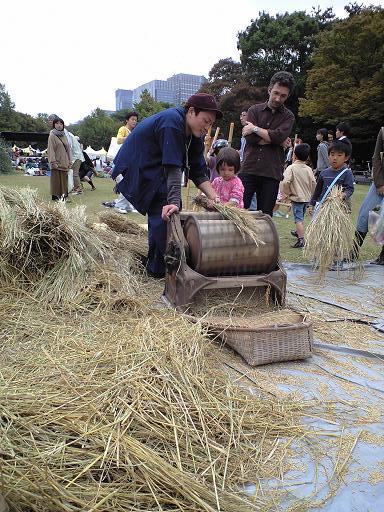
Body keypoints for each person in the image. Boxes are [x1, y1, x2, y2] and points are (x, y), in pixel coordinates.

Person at [112, 93, 223, 278]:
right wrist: (173, 202)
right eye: (205, 120)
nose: (207, 127)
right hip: (136, 167)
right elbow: (173, 168)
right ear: (191, 111)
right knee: (167, 212)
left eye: (210, 124)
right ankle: (169, 270)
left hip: (155, 172)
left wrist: (216, 198)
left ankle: (156, 269)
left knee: (164, 212)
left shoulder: (194, 134)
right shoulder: (172, 122)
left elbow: (197, 170)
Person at [239, 71, 296, 216]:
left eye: (283, 95)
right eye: (276, 93)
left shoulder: (288, 116)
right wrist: (275, 140)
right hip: (248, 169)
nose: (278, 98)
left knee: (265, 217)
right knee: (238, 212)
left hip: (271, 173)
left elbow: (279, 136)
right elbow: (250, 138)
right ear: (269, 89)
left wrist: (255, 129)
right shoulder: (254, 110)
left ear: (287, 96)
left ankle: (262, 240)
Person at [353, 126, 384, 264]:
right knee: (365, 214)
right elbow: (376, 157)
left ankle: (383, 256)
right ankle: (353, 251)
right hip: (380, 181)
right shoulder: (383, 131)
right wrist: (379, 183)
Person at [102, 112, 139, 213]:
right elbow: (118, 140)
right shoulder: (123, 129)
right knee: (125, 184)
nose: (134, 121)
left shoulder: (132, 132)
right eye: (132, 119)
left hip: (127, 162)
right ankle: (119, 206)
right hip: (120, 163)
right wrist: (130, 138)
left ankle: (127, 206)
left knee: (129, 184)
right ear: (127, 120)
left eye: (136, 120)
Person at [281, 143, 316, 248]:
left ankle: (301, 240)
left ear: (294, 155)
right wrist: (311, 195)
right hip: (306, 198)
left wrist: (287, 193)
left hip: (297, 198)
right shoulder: (309, 169)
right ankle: (298, 232)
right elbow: (314, 183)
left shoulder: (291, 168)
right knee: (301, 217)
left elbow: (286, 182)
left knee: (298, 219)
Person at [308, 140, 354, 216]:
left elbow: (350, 189)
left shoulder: (347, 173)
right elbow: (317, 191)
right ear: (328, 155)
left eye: (339, 155)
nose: (335, 158)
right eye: (332, 155)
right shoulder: (323, 173)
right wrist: (311, 204)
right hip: (322, 207)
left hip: (338, 209)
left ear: (346, 158)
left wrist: (343, 195)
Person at [47, 118, 71, 201]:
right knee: (56, 180)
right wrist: (53, 162)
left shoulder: (64, 135)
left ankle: (64, 196)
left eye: (61, 124)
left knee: (64, 180)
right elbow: (51, 150)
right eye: (57, 123)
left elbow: (68, 149)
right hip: (56, 162)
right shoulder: (52, 136)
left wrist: (69, 160)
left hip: (65, 162)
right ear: (54, 124)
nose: (59, 125)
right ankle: (56, 197)